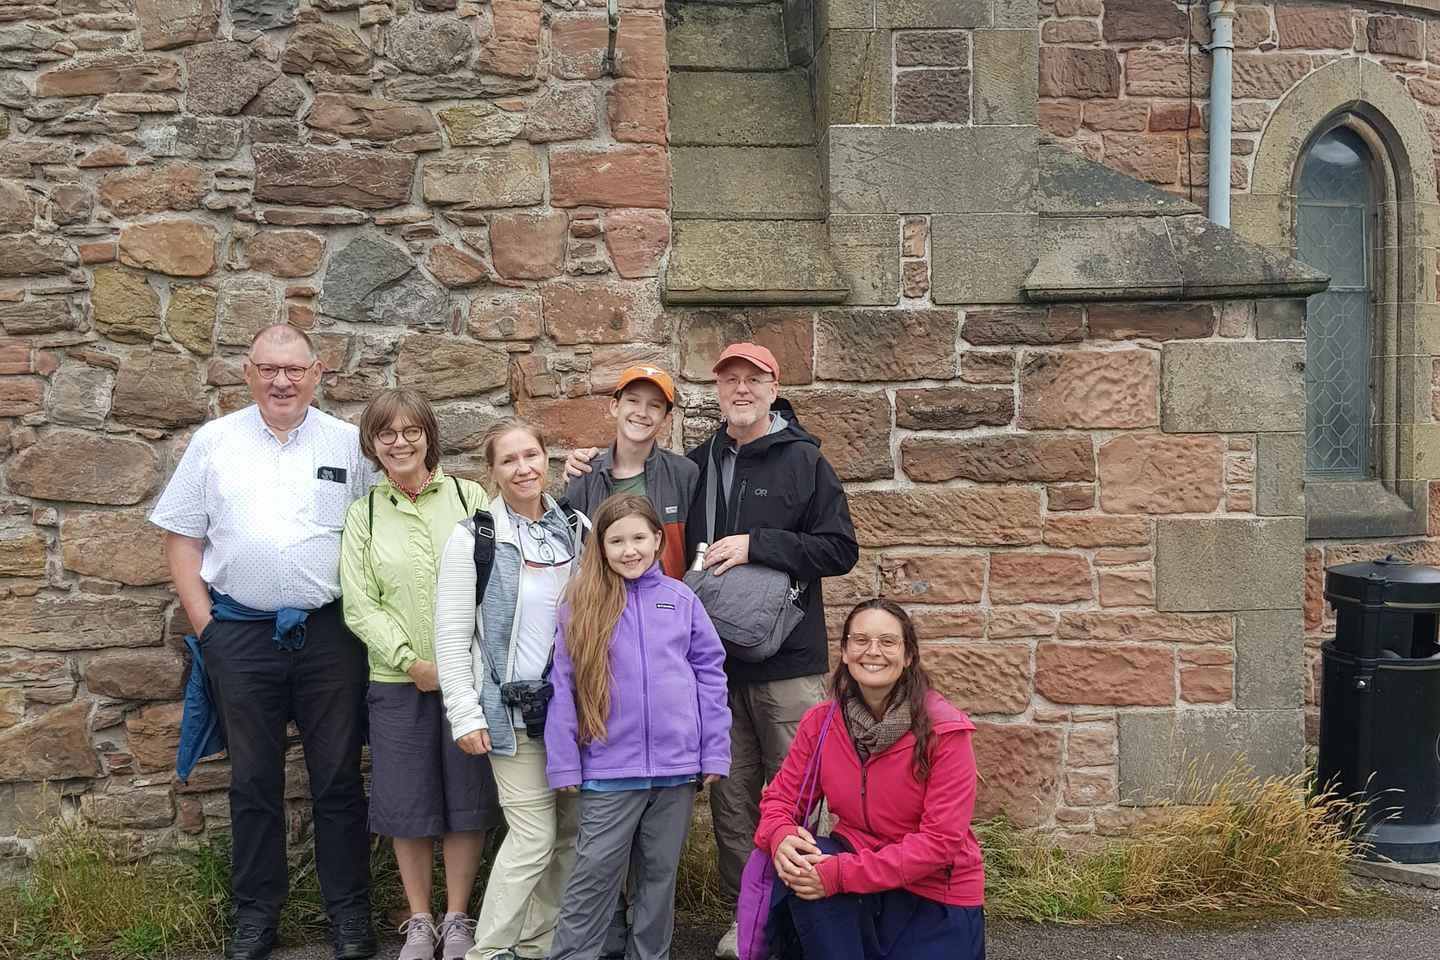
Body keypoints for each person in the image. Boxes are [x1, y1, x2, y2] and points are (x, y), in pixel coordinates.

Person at [565, 341, 859, 958]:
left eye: (754, 379)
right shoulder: (697, 465)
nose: (741, 390)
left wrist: (759, 545)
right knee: (733, 801)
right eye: (730, 380)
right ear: (718, 391)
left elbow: (840, 549)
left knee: (800, 792)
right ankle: (744, 916)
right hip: (714, 661)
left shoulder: (806, 462)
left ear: (774, 388)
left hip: (788, 662)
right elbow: (631, 496)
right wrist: (583, 467)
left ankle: (801, 917)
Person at [150, 324, 377, 960]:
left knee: (338, 778)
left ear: (317, 373)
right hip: (241, 635)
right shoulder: (214, 442)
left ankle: (350, 914)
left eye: (294, 369)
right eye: (268, 369)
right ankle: (255, 915)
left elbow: (377, 528)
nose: (282, 381)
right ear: (247, 373)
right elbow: (181, 538)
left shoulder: (347, 443)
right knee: (252, 781)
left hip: (331, 636)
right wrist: (209, 630)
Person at [339, 389, 503, 960]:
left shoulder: (469, 497)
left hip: (468, 677)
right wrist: (412, 661)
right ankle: (419, 920)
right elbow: (360, 604)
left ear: (429, 436)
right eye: (387, 433)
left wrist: (457, 666)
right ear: (372, 444)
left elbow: (493, 583)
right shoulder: (364, 514)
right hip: (396, 680)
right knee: (406, 804)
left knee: (466, 799)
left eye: (412, 431)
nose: (400, 442)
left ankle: (457, 918)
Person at [544, 493, 732, 960]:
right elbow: (563, 684)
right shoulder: (580, 602)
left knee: (657, 880)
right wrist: (563, 760)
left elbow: (710, 675)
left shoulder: (681, 599)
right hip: (609, 769)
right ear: (600, 546)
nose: (629, 550)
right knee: (593, 879)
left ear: (657, 540)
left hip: (675, 770)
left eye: (639, 538)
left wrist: (714, 750)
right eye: (617, 541)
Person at [433, 418, 587, 960]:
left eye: (531, 455)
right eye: (509, 460)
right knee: (533, 837)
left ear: (547, 458)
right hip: (510, 712)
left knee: (569, 836)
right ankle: (489, 950)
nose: (523, 468)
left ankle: (536, 944)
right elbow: (452, 635)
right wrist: (465, 713)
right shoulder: (473, 537)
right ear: (492, 472)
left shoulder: (577, 528)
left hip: (572, 714)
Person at [755, 599, 985, 960]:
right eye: (860, 640)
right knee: (804, 870)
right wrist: (780, 836)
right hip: (855, 859)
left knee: (822, 875)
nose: (873, 651)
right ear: (845, 652)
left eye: (888, 642)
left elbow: (940, 843)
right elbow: (781, 800)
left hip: (933, 887)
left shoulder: (946, 731)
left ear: (908, 656)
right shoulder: (822, 722)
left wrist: (840, 875)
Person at [562, 366, 697, 579]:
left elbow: (695, 549)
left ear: (666, 419)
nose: (642, 412)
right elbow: (570, 548)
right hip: (601, 596)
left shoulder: (684, 474)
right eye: (633, 400)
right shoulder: (585, 473)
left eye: (654, 405)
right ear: (615, 406)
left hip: (664, 597)